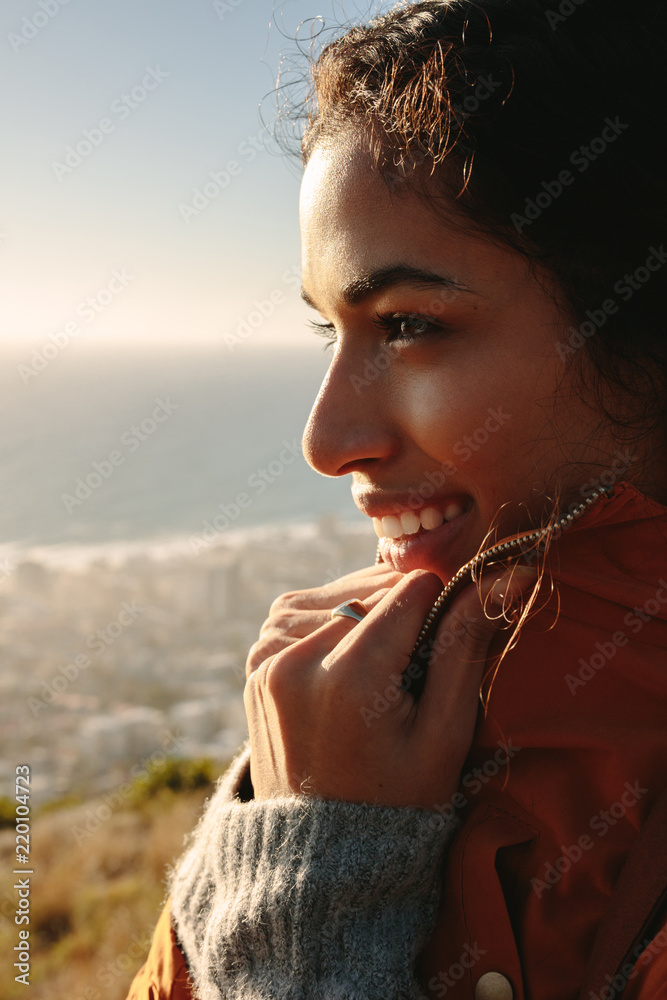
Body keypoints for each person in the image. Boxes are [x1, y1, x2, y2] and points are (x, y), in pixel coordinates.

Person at [126, 1, 667, 997]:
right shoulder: (320, 739)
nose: (326, 442)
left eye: (410, 323)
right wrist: (275, 830)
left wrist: (310, 908)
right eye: (332, 333)